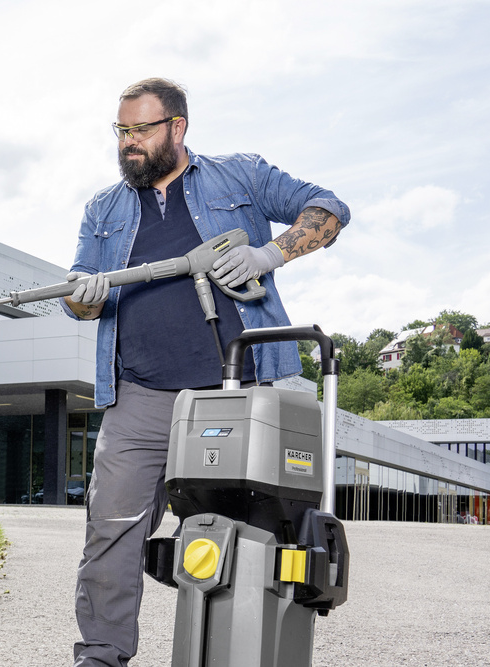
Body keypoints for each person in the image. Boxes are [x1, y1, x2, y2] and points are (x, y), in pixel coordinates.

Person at [61, 78, 350, 667]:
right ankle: (100, 656)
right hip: (139, 396)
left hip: (237, 396)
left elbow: (330, 209)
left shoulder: (238, 177)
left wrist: (269, 255)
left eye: (142, 130)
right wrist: (84, 296)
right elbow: (79, 295)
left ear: (178, 127)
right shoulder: (104, 207)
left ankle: (242, 652)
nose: (129, 143)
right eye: (121, 131)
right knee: (110, 534)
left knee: (251, 534)